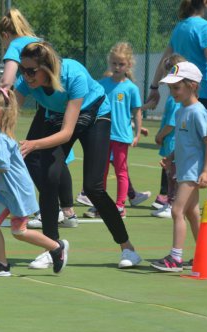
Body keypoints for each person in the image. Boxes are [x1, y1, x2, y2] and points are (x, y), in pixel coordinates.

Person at [16, 42, 142, 269]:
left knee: (94, 187)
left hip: (94, 117)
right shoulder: (26, 81)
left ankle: (128, 248)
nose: (26, 76)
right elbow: (10, 113)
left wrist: (32, 144)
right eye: (22, 70)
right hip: (58, 115)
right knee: (49, 177)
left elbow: (66, 133)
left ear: (47, 68)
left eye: (31, 71)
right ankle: (53, 248)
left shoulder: (73, 75)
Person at [146, 0, 207, 211]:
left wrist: (154, 86)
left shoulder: (180, 27)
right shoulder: (205, 27)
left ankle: (166, 195)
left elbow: (165, 59)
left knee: (182, 138)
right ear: (206, 2)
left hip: (189, 92)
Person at [0, 8, 78, 231]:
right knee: (55, 159)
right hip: (55, 100)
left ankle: (51, 209)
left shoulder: (16, 45)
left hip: (57, 104)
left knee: (33, 155)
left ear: (5, 35)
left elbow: (8, 80)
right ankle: (68, 211)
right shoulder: (38, 40)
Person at [0, 87, 68, 277]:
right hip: (6, 191)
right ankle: (1, 264)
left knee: (19, 231)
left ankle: (57, 248)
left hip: (17, 192)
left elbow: (3, 165)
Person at [151, 62, 207, 272]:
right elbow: (182, 141)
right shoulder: (180, 112)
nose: (173, 92)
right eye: (171, 88)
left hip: (193, 171)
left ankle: (175, 258)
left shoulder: (198, 112)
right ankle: (203, 255)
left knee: (177, 210)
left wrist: (205, 171)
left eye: (177, 87)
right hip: (184, 169)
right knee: (192, 213)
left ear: (193, 86)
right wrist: (171, 157)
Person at [93, 42, 144, 218]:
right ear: (110, 62)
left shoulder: (131, 88)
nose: (117, 67)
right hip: (102, 134)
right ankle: (101, 204)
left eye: (121, 64)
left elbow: (137, 113)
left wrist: (137, 134)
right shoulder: (101, 85)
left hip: (121, 136)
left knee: (121, 171)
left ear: (128, 65)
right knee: (102, 171)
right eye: (114, 63)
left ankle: (120, 205)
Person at [149, 53, 186, 219]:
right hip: (171, 143)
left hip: (173, 142)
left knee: (173, 176)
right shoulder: (174, 96)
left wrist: (160, 135)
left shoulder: (175, 99)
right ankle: (169, 202)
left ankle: (173, 204)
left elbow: (171, 123)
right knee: (170, 175)